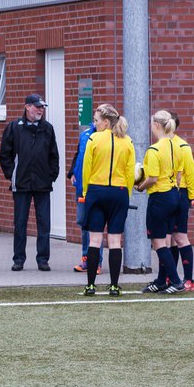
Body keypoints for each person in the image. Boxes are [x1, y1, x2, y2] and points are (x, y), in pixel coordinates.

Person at [0, 93, 60, 271]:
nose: (40, 110)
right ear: (27, 107)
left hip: (42, 183)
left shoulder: (47, 128)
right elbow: (5, 155)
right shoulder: (14, 127)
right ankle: (18, 259)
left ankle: (43, 259)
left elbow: (53, 155)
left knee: (44, 223)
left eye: (42, 107)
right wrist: (12, 174)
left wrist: (51, 175)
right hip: (22, 183)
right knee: (20, 223)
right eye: (37, 106)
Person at [79, 105, 134, 296]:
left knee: (95, 239)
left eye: (95, 120)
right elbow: (129, 172)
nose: (94, 123)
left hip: (96, 190)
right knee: (115, 241)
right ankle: (114, 286)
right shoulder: (127, 141)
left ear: (105, 121)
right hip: (118, 192)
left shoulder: (94, 138)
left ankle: (91, 285)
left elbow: (86, 167)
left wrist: (86, 191)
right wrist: (126, 195)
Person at [136, 110, 185, 294]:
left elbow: (153, 179)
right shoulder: (176, 146)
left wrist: (140, 187)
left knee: (158, 243)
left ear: (157, 125)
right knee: (166, 240)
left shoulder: (154, 150)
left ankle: (175, 281)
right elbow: (179, 174)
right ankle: (161, 280)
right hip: (174, 195)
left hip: (160, 198)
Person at [168, 111, 194, 291]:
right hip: (166, 193)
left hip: (180, 194)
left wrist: (190, 196)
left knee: (180, 236)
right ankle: (171, 278)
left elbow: (191, 173)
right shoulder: (162, 146)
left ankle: (189, 280)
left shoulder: (183, 146)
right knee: (168, 238)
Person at [68, 114, 97, 273]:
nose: (94, 120)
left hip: (95, 187)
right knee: (83, 223)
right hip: (80, 186)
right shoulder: (85, 134)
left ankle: (96, 261)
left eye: (97, 117)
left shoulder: (104, 137)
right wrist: (73, 172)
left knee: (95, 225)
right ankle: (85, 259)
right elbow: (79, 154)